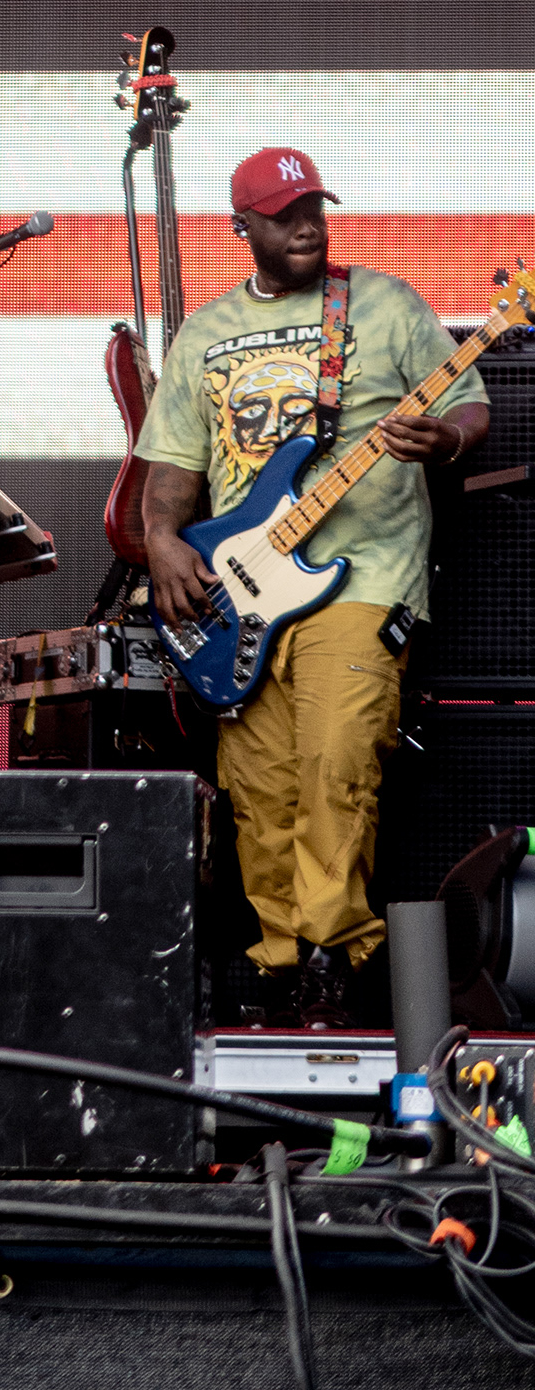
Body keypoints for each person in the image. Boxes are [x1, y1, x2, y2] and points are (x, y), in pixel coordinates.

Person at [139, 148, 489, 1028]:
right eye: (284, 212)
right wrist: (162, 545)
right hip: (241, 590)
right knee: (260, 788)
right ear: (242, 227)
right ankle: (282, 966)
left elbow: (471, 404)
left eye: (314, 209)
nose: (305, 224)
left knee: (337, 759)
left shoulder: (384, 304)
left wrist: (444, 443)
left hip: (365, 576)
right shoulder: (206, 333)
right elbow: (172, 469)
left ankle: (339, 951)